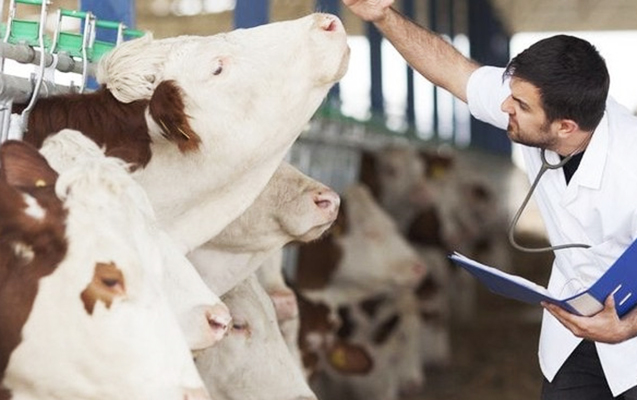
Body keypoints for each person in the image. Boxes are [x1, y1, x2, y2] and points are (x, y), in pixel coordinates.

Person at [341, 1, 637, 399]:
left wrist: (627, 326)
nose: (504, 107)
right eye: (511, 95)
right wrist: (383, 16)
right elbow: (454, 71)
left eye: (520, 106)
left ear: (565, 127)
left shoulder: (629, 164)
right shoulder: (536, 105)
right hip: (572, 332)